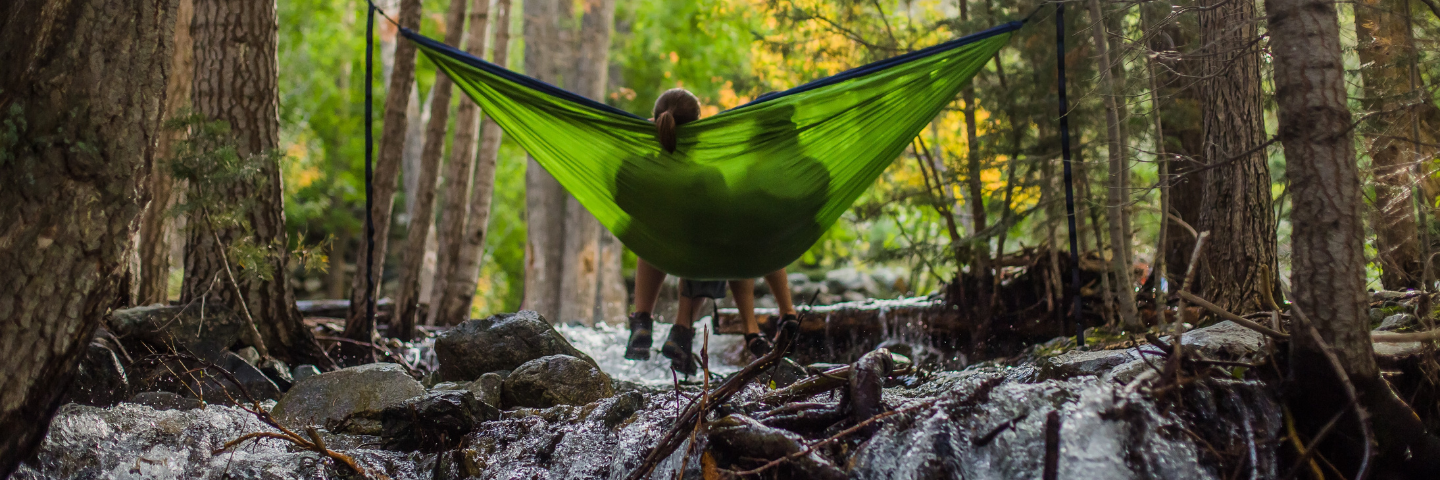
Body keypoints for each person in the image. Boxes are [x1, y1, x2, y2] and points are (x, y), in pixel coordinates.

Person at [622, 88, 799, 375]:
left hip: (657, 250)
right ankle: (688, 328)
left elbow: (620, 201)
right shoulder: (708, 176)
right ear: (699, 128)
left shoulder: (636, 167)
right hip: (697, 259)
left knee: (652, 234)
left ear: (654, 121)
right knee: (720, 235)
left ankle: (642, 320)